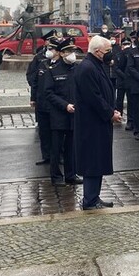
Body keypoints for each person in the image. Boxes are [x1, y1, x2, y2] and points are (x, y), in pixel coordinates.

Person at [74, 35, 122, 209]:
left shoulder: (96, 65)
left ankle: (94, 197)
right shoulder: (87, 68)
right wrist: (110, 113)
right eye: (108, 50)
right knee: (92, 162)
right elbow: (94, 97)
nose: (110, 54)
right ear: (97, 51)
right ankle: (89, 199)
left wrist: (111, 110)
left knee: (98, 160)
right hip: (91, 124)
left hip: (99, 122)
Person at [41, 37, 83, 186]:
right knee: (56, 148)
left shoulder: (77, 69)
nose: (72, 54)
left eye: (73, 51)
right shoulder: (52, 70)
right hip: (59, 114)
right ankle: (56, 176)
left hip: (74, 114)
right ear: (62, 53)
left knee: (72, 147)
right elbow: (49, 93)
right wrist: (65, 105)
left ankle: (71, 175)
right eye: (69, 51)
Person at [26, 31, 58, 165]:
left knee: (56, 130)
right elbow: (33, 78)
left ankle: (57, 156)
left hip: (55, 101)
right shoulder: (40, 59)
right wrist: (34, 97)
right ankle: (46, 155)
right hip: (42, 99)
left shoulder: (60, 61)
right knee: (44, 131)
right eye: (49, 42)